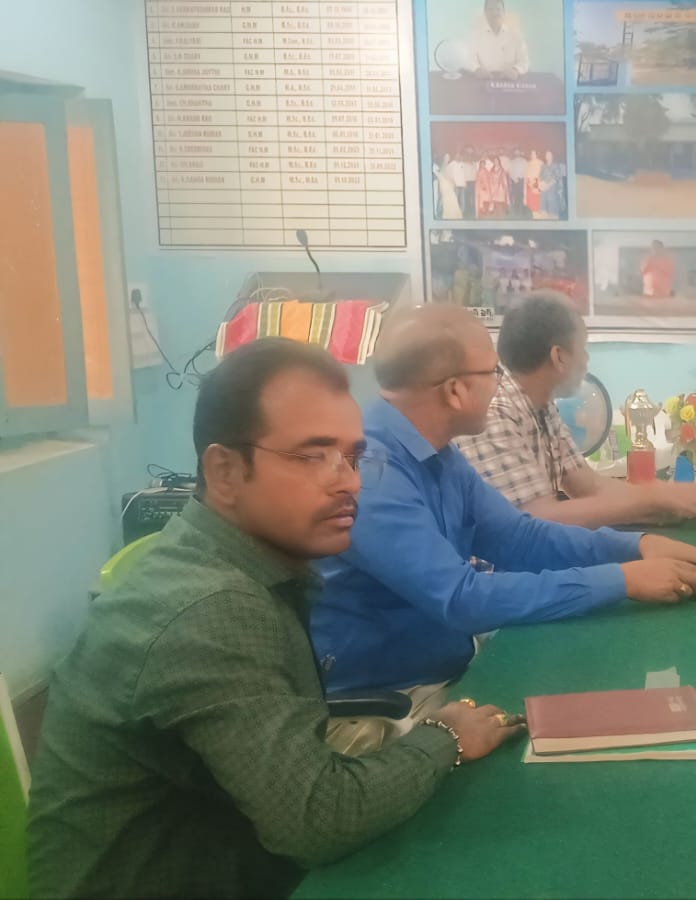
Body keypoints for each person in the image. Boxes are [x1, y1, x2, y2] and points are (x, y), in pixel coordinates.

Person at [26, 340, 524, 898]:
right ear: (225, 472)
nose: (348, 482)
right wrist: (445, 735)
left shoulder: (235, 565)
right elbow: (320, 819)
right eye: (312, 456)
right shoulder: (212, 609)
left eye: (353, 457)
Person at [311, 306, 696, 752]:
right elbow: (461, 598)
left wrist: (637, 546)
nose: (500, 384)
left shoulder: (436, 452)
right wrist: (622, 580)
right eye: (493, 372)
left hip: (445, 665)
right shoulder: (372, 474)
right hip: (393, 703)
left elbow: (520, 538)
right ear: (455, 391)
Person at [458, 293, 696, 528]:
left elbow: (590, 487)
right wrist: (657, 500)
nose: (586, 359)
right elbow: (538, 519)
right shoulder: (495, 413)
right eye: (583, 348)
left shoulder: (542, 406)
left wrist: (676, 498)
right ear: (559, 357)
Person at [466, 0, 529, 79]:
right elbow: (469, 59)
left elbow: (524, 61)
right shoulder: (475, 35)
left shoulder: (516, 35)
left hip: (509, 81)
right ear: (485, 12)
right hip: (484, 80)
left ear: (504, 12)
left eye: (498, 9)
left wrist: (515, 70)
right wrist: (477, 70)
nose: (494, 13)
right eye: (490, 9)